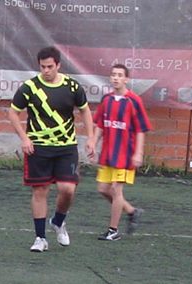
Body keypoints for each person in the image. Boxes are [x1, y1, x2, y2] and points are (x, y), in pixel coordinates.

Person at [8, 46, 95, 252]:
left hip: (66, 147)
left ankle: (58, 221)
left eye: (50, 67)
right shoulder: (29, 87)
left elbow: (85, 111)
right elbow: (13, 113)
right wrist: (24, 138)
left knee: (67, 189)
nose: (46, 71)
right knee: (40, 191)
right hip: (38, 148)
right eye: (42, 67)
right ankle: (40, 238)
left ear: (58, 65)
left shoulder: (72, 86)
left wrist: (91, 138)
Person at [88, 64, 151, 241]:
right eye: (113, 74)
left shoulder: (134, 101)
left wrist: (138, 153)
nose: (116, 78)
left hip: (125, 154)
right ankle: (131, 211)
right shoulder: (106, 99)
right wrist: (93, 142)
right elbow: (100, 125)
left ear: (126, 79)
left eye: (120, 75)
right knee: (103, 189)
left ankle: (113, 231)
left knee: (116, 189)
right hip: (109, 153)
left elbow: (141, 129)